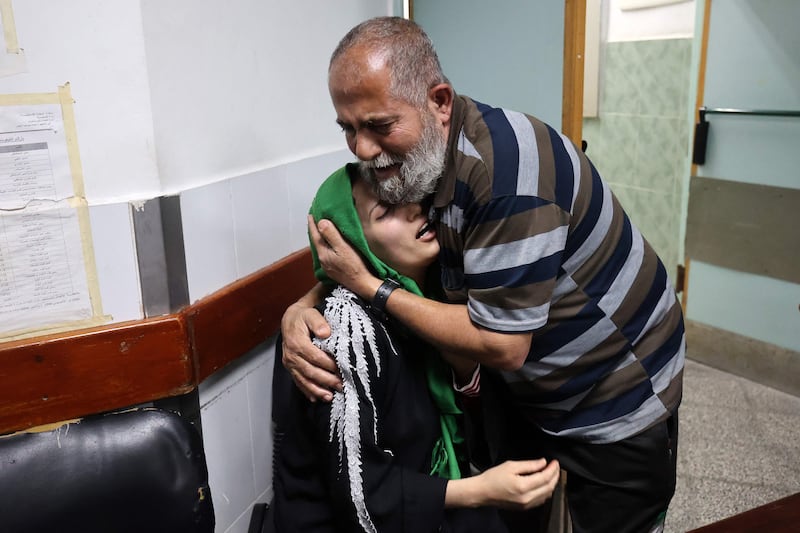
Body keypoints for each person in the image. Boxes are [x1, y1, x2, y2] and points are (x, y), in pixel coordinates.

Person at [282, 16, 685, 533]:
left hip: (616, 390)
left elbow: (503, 344)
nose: (362, 149)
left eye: (379, 125)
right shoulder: (420, 160)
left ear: (439, 102)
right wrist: (304, 304)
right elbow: (366, 242)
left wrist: (370, 289)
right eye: (348, 129)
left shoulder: (506, 178)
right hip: (533, 390)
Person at [270, 165, 561, 532]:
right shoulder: (343, 330)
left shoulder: (422, 294)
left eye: (408, 196)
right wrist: (479, 490)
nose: (413, 209)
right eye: (386, 211)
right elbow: (361, 498)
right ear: (353, 245)